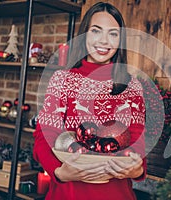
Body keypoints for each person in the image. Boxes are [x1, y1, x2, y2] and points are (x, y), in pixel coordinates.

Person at [33, 2, 146, 200]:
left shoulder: (132, 86)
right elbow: (43, 137)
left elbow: (138, 144)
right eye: (96, 31)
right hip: (69, 194)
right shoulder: (63, 80)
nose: (104, 40)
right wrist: (59, 172)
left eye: (113, 33)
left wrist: (136, 170)